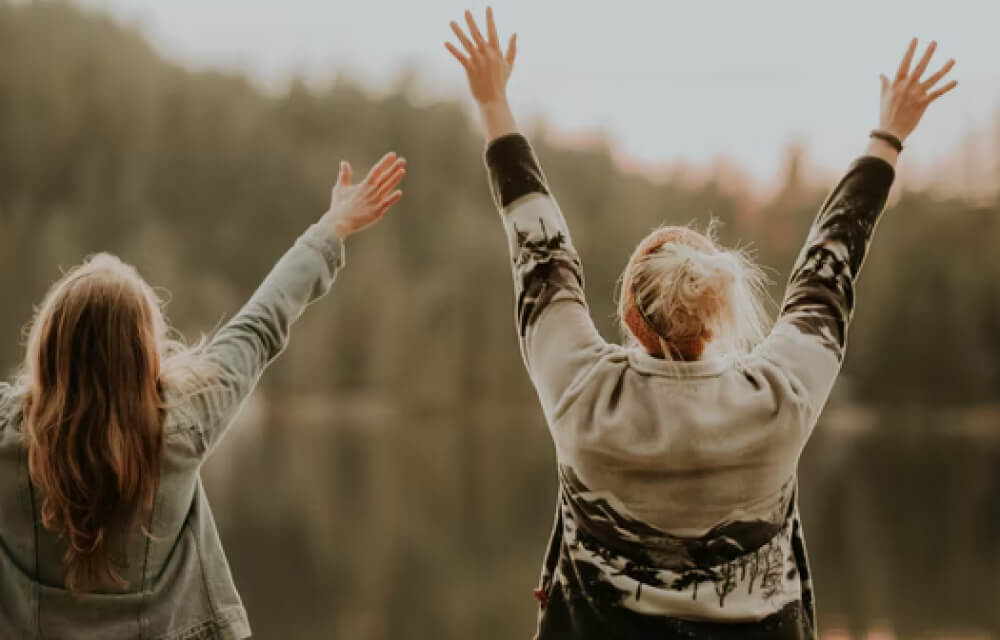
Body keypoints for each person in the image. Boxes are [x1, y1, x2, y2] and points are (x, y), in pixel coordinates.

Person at [446, 9, 956, 639]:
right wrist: (888, 138)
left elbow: (540, 253)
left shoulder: (584, 393)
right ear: (715, 317)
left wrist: (494, 104)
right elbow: (829, 271)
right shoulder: (777, 398)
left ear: (631, 316)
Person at [0, 153, 406, 639]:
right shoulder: (181, 427)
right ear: (143, 353)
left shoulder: (7, 439)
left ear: (46, 349)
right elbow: (260, 323)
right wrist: (332, 227)